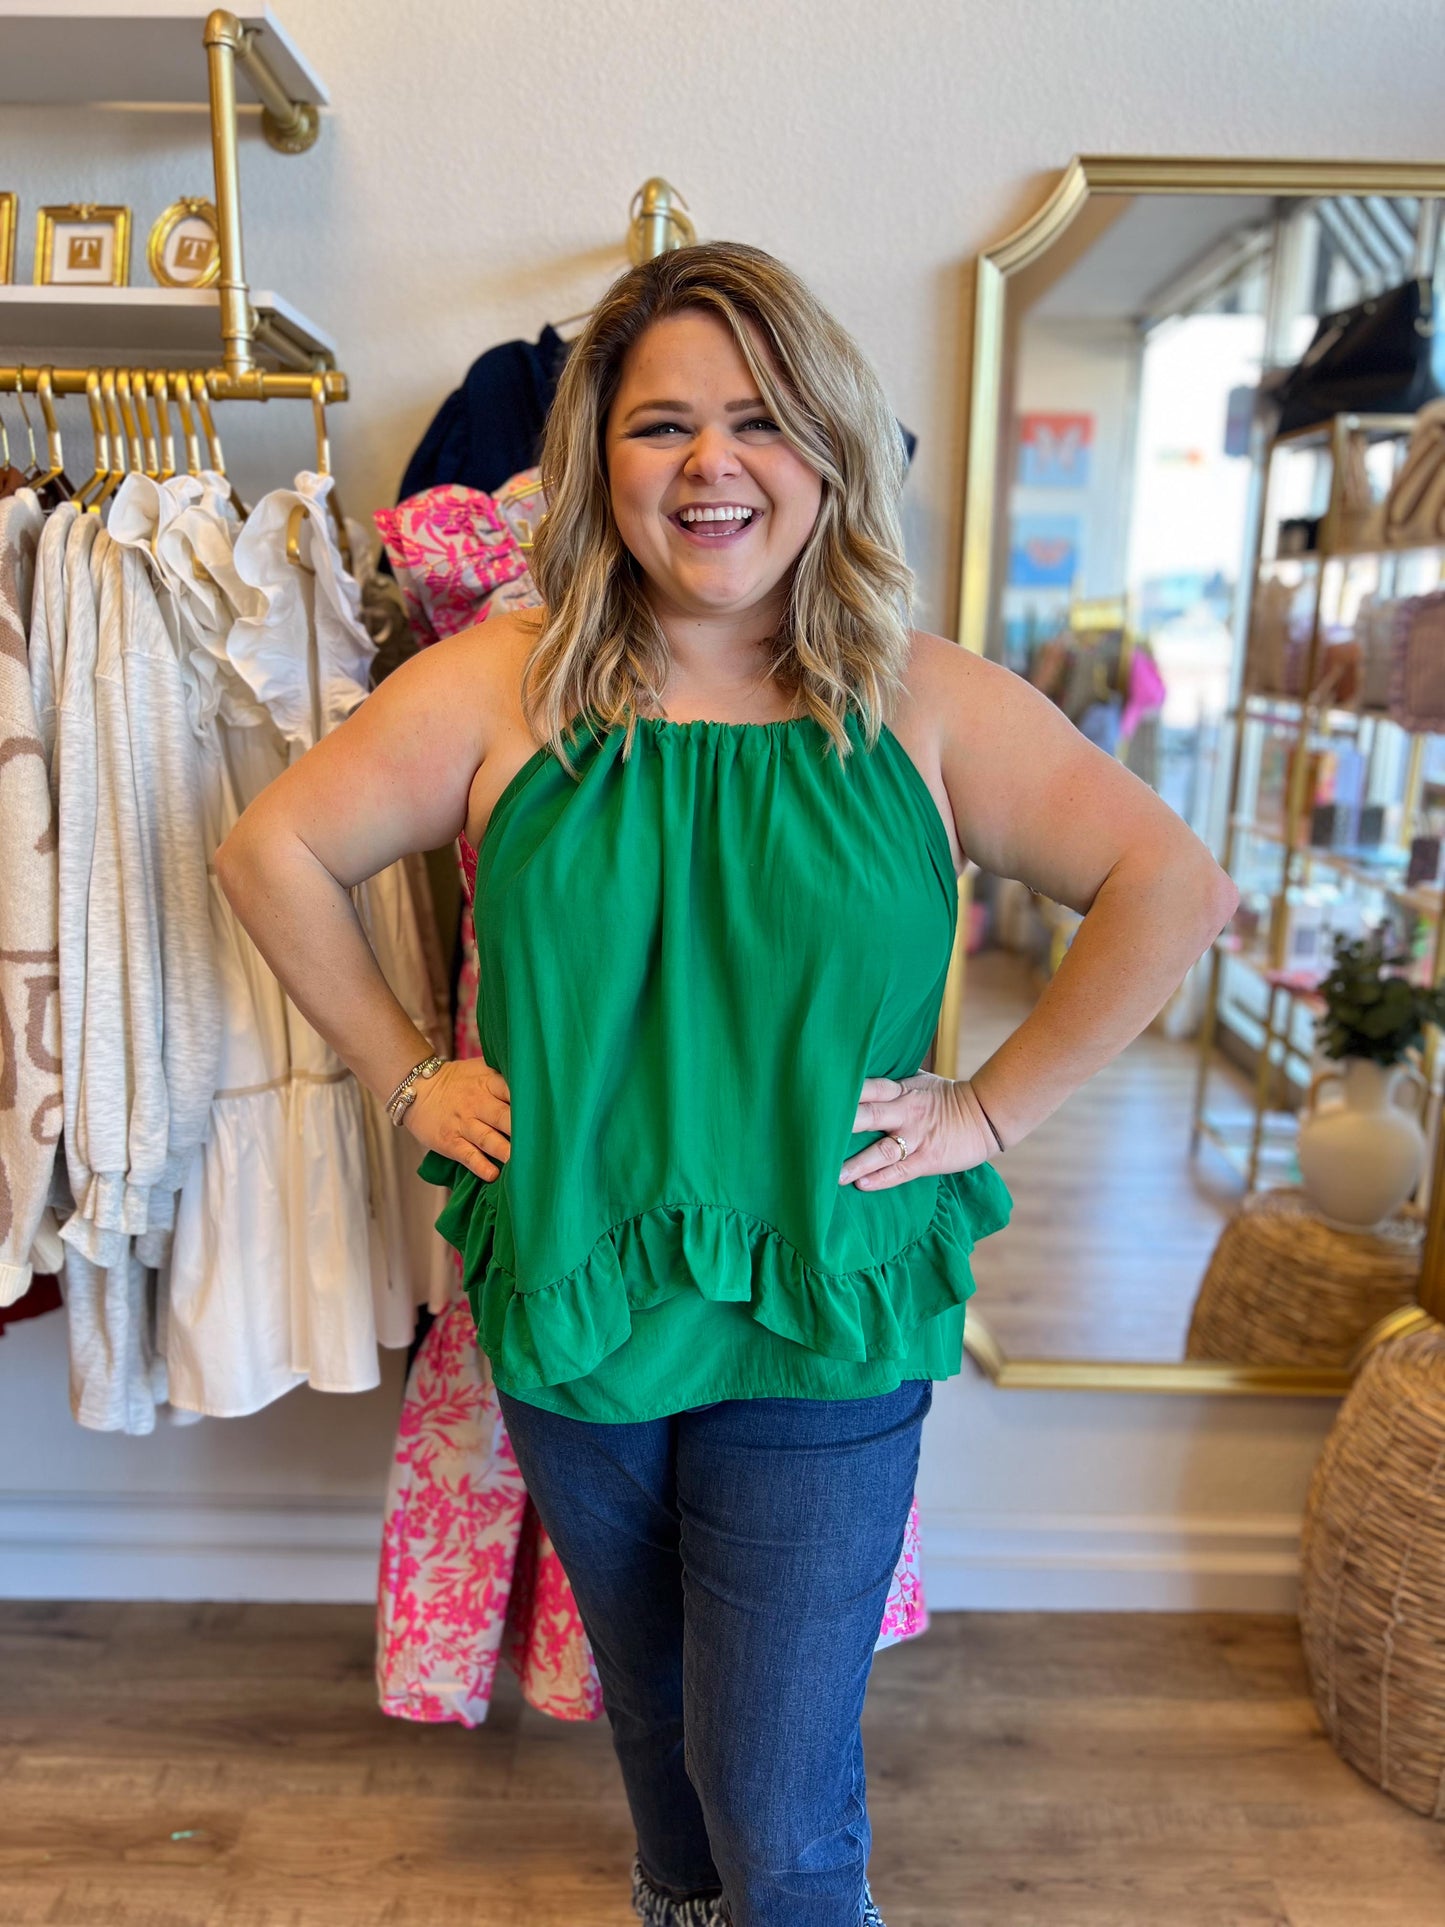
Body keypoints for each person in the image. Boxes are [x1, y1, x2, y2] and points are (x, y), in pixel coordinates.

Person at [217, 241, 1238, 1927]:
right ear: (594, 459)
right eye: (660, 423)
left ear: (827, 450)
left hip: (821, 1301)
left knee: (780, 1795)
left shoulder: (919, 701)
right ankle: (671, 1903)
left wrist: (987, 1112)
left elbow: (1168, 887)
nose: (711, 464)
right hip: (575, 1284)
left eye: (759, 419)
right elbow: (269, 854)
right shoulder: (498, 683)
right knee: (654, 1703)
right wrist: (410, 1076)